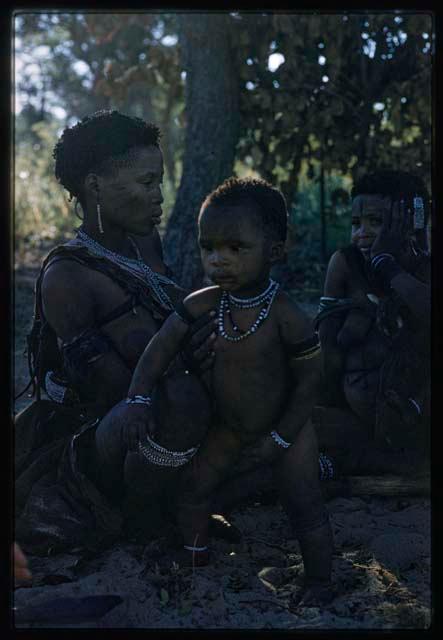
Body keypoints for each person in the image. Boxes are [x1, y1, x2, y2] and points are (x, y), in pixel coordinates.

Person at [14, 110, 231, 554]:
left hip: (173, 408)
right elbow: (112, 392)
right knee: (182, 401)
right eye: (146, 183)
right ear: (95, 184)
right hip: (107, 437)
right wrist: (190, 366)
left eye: (160, 182)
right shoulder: (67, 276)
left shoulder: (143, 241)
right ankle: (143, 517)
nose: (159, 196)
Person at [115, 176, 333, 605]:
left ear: (275, 251)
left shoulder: (287, 316)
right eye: (208, 248)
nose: (219, 261)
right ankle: (195, 556)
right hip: (230, 428)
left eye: (235, 249)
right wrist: (138, 397)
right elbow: (157, 353)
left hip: (286, 431)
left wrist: (282, 436)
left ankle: (321, 581)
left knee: (305, 507)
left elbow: (310, 382)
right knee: (195, 488)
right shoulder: (202, 302)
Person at [315, 169, 430, 476]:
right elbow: (327, 352)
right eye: (356, 224)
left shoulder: (421, 268)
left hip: (412, 419)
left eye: (376, 222)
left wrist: (387, 266)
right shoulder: (346, 264)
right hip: (354, 416)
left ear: (409, 224)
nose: (361, 233)